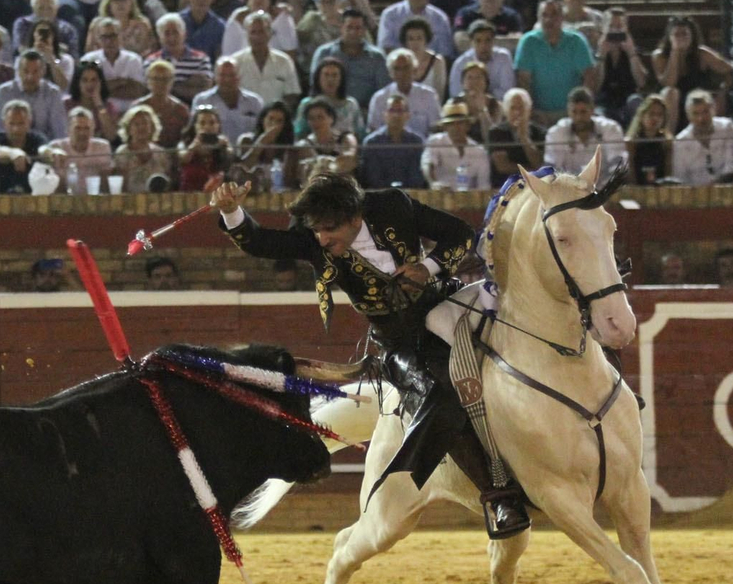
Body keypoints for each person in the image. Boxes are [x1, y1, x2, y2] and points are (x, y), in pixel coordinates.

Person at [213, 171, 527, 533]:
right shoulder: (315, 239)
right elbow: (260, 242)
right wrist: (232, 212)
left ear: (355, 217)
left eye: (329, 229)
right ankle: (499, 498)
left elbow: (459, 234)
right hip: (402, 343)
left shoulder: (392, 206)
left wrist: (427, 267)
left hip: (448, 308)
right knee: (440, 395)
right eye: (316, 229)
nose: (321, 238)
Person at [514, 0, 597, 125]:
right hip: (538, 115)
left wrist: (577, 111)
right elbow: (523, 81)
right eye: (544, 15)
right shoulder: (528, 42)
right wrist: (532, 112)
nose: (549, 20)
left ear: (562, 17)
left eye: (554, 15)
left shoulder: (577, 41)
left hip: (573, 114)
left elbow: (589, 78)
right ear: (538, 18)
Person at [652, 15, 732, 133]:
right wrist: (675, 51)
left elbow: (730, 69)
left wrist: (723, 90)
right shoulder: (660, 56)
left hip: (697, 98)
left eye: (684, 34)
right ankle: (668, 139)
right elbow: (669, 82)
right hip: (671, 102)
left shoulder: (702, 54)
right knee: (671, 92)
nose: (681, 38)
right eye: (676, 34)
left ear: (692, 36)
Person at [310, 8, 390, 115]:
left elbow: (383, 90)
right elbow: (315, 86)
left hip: (366, 112)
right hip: (327, 112)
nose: (353, 32)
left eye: (358, 28)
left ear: (364, 30)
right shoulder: (324, 53)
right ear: (341, 28)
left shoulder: (377, 57)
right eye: (349, 27)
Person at [543, 87, 627, 175]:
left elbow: (618, 166)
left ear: (592, 110)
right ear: (568, 111)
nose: (579, 117)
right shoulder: (556, 132)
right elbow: (551, 169)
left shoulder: (610, 129)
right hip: (569, 186)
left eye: (583, 112)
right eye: (574, 112)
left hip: (604, 186)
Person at [367, 48, 439, 140]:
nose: (402, 73)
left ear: (414, 70)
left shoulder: (429, 95)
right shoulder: (379, 98)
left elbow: (435, 128)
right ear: (390, 73)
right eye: (397, 69)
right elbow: (374, 131)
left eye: (406, 68)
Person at [670, 89, 733, 185]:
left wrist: (715, 186)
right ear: (688, 116)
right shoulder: (681, 141)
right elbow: (680, 177)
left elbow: (732, 165)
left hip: (727, 188)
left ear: (713, 110)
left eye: (705, 112)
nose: (701, 118)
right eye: (696, 113)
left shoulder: (727, 127)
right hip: (695, 195)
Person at [359, 92, 424, 189]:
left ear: (408, 115)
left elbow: (416, 176)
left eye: (400, 111)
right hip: (379, 195)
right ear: (384, 114)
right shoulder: (372, 142)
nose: (396, 115)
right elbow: (372, 176)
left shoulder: (416, 141)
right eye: (391, 110)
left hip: (410, 195)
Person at [43, 104, 114, 192]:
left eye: (87, 128)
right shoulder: (57, 147)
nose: (82, 133)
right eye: (78, 128)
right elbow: (42, 151)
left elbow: (106, 183)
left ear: (93, 129)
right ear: (68, 129)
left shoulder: (102, 147)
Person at [190, 58, 262, 144]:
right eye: (222, 75)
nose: (227, 80)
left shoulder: (254, 102)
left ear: (239, 76)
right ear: (215, 77)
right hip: (215, 154)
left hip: (249, 154)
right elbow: (194, 132)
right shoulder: (202, 100)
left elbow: (261, 131)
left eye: (231, 75)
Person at [420, 99, 488, 189]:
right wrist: (434, 183)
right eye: (451, 124)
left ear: (467, 126)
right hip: (440, 196)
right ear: (445, 127)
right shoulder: (435, 142)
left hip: (470, 199)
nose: (456, 127)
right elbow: (427, 164)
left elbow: (483, 184)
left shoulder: (479, 151)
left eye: (460, 123)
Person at [236, 100, 300, 192]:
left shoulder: (289, 148)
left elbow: (289, 181)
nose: (274, 124)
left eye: (279, 121)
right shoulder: (246, 140)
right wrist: (261, 143)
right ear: (263, 119)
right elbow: (243, 168)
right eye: (271, 119)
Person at [111, 102, 174, 193]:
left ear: (152, 127)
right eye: (137, 124)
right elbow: (120, 186)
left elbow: (168, 182)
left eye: (145, 123)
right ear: (129, 128)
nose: (141, 127)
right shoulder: (122, 153)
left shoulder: (160, 153)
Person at [450, 20, 514, 101]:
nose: (483, 45)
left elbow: (507, 91)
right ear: (471, 42)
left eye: (488, 40)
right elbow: (456, 94)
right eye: (478, 41)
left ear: (494, 41)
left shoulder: (503, 58)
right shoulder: (460, 63)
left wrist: (485, 98)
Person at [176, 102, 233, 191]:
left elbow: (231, 158)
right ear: (195, 126)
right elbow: (182, 158)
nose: (207, 127)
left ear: (218, 125)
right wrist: (193, 147)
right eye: (202, 123)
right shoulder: (185, 143)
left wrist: (224, 147)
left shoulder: (223, 142)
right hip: (190, 194)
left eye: (212, 123)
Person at [137, 58, 191, 147]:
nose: (160, 83)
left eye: (165, 79)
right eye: (156, 79)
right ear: (148, 81)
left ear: (172, 82)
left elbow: (186, 139)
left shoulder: (181, 110)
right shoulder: (139, 107)